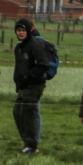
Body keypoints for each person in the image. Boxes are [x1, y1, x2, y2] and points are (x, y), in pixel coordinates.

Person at [12, 18, 52, 155]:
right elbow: (18, 67)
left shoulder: (35, 44)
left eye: (23, 30)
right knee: (17, 112)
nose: (20, 33)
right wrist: (18, 82)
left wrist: (29, 76)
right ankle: (27, 143)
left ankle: (32, 145)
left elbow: (43, 64)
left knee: (28, 113)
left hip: (35, 84)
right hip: (23, 86)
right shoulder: (19, 47)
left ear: (28, 31)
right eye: (18, 30)